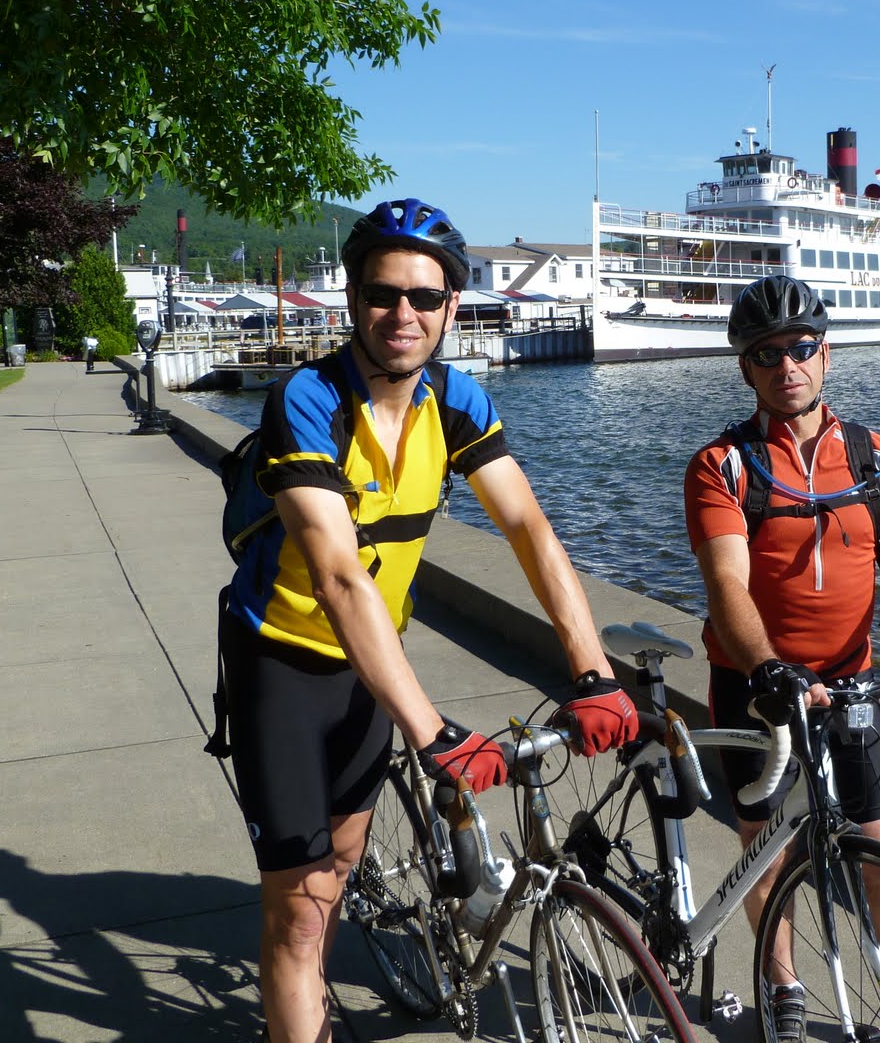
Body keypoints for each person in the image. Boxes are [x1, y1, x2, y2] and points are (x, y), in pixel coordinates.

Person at [220, 199, 637, 1043]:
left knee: (339, 866)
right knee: (299, 913)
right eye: (382, 294)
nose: (401, 315)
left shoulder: (457, 401)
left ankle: (311, 1001)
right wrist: (433, 728)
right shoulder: (307, 400)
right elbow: (338, 575)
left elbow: (528, 529)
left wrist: (593, 671)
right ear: (352, 300)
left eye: (424, 296)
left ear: (453, 305)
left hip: (373, 664)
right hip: (283, 663)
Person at [683, 275, 880, 1043]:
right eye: (766, 354)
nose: (787, 365)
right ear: (747, 370)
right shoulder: (723, 466)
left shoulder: (876, 459)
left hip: (853, 680)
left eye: (802, 348)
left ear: (826, 355)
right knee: (765, 846)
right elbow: (727, 585)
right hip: (756, 683)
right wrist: (769, 666)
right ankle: (782, 985)